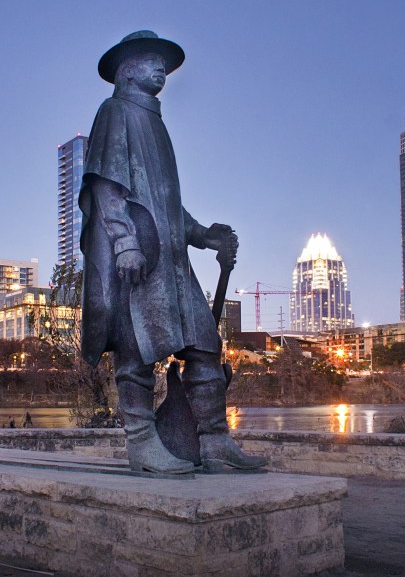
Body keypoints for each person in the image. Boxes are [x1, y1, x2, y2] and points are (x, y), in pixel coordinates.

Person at [79, 30, 267, 474]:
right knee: (136, 351)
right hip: (138, 260)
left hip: (173, 264)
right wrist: (124, 243)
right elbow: (107, 187)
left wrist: (202, 234)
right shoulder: (114, 112)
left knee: (205, 348)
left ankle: (216, 441)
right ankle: (142, 442)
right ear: (126, 69)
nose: (160, 68)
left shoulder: (156, 123)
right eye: (149, 60)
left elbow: (164, 199)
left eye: (162, 62)